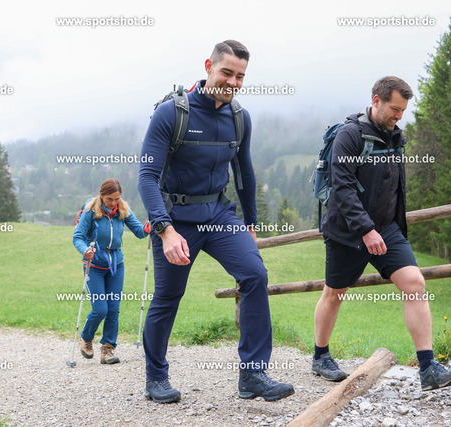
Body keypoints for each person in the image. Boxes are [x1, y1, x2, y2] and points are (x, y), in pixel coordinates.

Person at [138, 40, 294, 403]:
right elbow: (147, 177)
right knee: (167, 297)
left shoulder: (239, 118)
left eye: (240, 76)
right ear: (209, 67)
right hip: (176, 218)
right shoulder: (171, 113)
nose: (233, 82)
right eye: (227, 72)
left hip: (219, 214)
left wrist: (250, 224)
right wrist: (165, 230)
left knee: (254, 275)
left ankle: (253, 376)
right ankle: (155, 378)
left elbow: (244, 174)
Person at [313, 76, 451, 391]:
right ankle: (320, 356)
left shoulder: (396, 137)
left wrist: (390, 227)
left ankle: (428, 368)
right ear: (376, 100)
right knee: (334, 294)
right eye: (395, 109)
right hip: (347, 232)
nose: (399, 115)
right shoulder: (350, 135)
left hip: (387, 229)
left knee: (415, 284)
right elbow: (342, 188)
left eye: (403, 110)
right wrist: (365, 230)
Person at [73, 178, 150, 365]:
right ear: (101, 196)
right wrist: (85, 250)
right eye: (110, 199)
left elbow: (139, 232)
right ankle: (86, 337)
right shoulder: (91, 211)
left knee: (113, 309)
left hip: (116, 265)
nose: (114, 203)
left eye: (117, 198)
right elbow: (78, 237)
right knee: (100, 309)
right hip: (94, 265)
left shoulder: (123, 209)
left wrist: (149, 227)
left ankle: (107, 348)